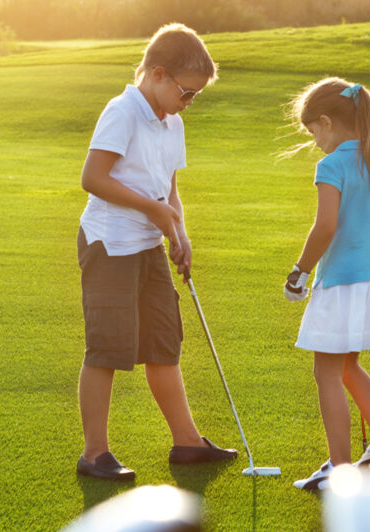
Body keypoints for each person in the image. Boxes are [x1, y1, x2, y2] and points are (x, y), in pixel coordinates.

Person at [75, 23, 236, 481]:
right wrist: (156, 212)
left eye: (195, 96)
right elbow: (94, 177)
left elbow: (169, 188)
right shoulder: (122, 111)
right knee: (107, 347)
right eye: (186, 92)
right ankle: (94, 454)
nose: (189, 103)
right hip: (110, 242)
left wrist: (178, 233)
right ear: (158, 75)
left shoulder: (172, 122)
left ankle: (186, 442)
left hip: (147, 244)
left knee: (164, 343)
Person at [283, 78, 370, 491]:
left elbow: (325, 227)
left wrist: (299, 271)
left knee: (327, 373)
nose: (314, 141)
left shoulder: (332, 164)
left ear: (326, 122)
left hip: (340, 285)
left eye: (313, 131)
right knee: (348, 366)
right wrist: (368, 253)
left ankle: (340, 471)